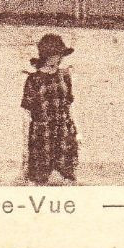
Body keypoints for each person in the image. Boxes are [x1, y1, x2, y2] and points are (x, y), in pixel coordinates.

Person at [21, 33, 78, 185]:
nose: (58, 58)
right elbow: (27, 112)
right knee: (40, 178)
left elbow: (69, 104)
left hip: (63, 129)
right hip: (42, 132)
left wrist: (75, 130)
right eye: (55, 54)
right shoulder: (34, 80)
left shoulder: (64, 76)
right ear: (46, 56)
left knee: (66, 176)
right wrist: (25, 144)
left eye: (60, 54)